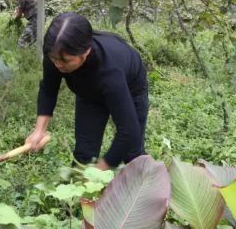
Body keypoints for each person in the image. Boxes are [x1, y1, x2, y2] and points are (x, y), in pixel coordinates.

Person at [25, 12, 149, 170]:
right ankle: (80, 192)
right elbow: (49, 89)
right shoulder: (56, 53)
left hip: (130, 86)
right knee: (84, 153)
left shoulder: (110, 72)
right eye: (53, 59)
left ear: (86, 51)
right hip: (88, 92)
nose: (58, 65)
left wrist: (98, 171)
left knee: (132, 153)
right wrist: (39, 130)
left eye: (65, 61)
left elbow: (129, 132)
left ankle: (145, 188)